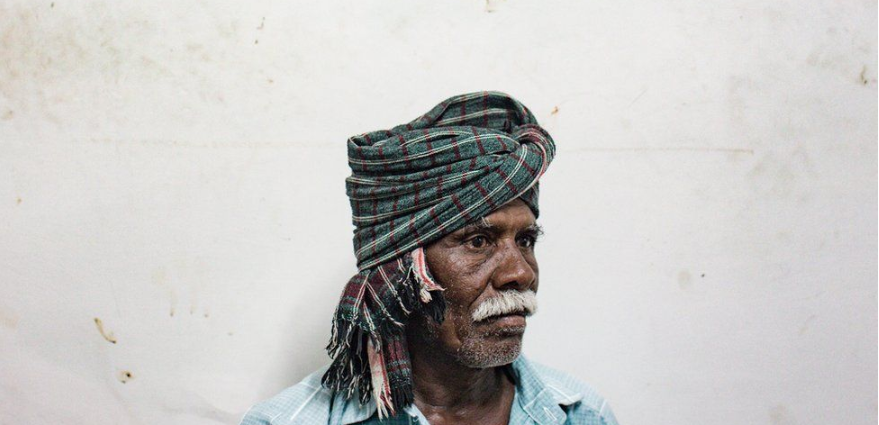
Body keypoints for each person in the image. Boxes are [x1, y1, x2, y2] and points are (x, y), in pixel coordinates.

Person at [241, 92, 619, 425]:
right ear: (401, 271)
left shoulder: (580, 415)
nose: (520, 272)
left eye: (525, 240)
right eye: (477, 241)